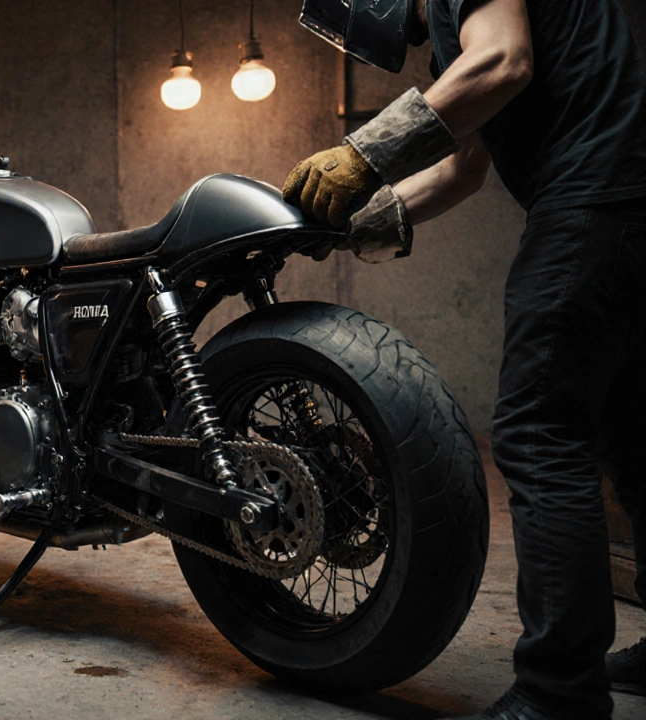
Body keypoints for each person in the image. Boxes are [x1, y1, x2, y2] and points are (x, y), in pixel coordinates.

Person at [282, 0, 646, 718]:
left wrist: (361, 154)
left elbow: (503, 63)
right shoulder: (458, 34)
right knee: (632, 436)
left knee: (539, 432)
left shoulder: (477, 26)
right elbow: (464, 167)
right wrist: (360, 218)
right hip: (628, 201)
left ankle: (558, 694)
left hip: (597, 198)